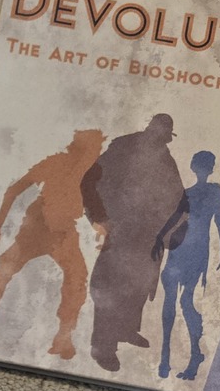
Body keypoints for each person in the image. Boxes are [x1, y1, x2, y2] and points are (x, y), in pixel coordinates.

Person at [0, 129, 104, 359]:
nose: (96, 154)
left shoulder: (90, 174)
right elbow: (15, 189)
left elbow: (93, 206)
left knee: (76, 277)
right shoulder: (56, 162)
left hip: (63, 233)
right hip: (36, 226)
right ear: (83, 150)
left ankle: (64, 336)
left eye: (96, 150)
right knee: (6, 266)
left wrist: (102, 230)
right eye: (93, 149)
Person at [80, 113, 187, 372]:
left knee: (138, 286)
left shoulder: (165, 159)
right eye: (158, 133)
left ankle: (126, 330)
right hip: (121, 231)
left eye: (164, 137)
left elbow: (178, 197)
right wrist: (99, 218)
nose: (161, 139)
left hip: (148, 235)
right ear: (149, 129)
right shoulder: (123, 148)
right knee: (110, 289)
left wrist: (176, 232)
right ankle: (103, 347)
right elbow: (89, 181)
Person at [156, 150, 220, 381]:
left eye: (204, 165)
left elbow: (219, 222)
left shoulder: (213, 193)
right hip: (180, 249)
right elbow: (174, 218)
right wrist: (159, 238)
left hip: (196, 252)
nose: (202, 169)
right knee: (172, 302)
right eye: (200, 164)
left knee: (184, 301)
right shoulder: (187, 193)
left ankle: (192, 355)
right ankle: (166, 358)